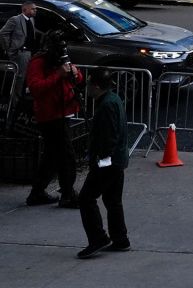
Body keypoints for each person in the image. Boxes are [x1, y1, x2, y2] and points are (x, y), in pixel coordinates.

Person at [25, 31, 83, 208]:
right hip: (50, 115)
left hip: (63, 111)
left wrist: (74, 72)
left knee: (51, 156)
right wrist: (58, 74)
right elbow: (36, 88)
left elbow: (76, 80)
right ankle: (67, 194)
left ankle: (37, 193)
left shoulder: (61, 59)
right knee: (66, 156)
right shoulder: (38, 62)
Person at [76, 67, 130, 258]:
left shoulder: (106, 105)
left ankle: (98, 238)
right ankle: (120, 239)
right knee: (112, 200)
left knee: (86, 198)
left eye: (89, 83)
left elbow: (108, 139)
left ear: (96, 86)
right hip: (118, 160)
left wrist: (101, 163)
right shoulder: (113, 99)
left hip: (109, 162)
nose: (86, 87)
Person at [0, 1, 38, 104]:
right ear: (24, 10)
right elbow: (3, 33)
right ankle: (14, 102)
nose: (35, 10)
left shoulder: (31, 20)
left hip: (29, 53)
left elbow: (30, 32)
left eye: (35, 9)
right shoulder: (15, 20)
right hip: (20, 52)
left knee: (25, 76)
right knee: (19, 77)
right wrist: (9, 48)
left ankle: (20, 99)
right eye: (33, 9)